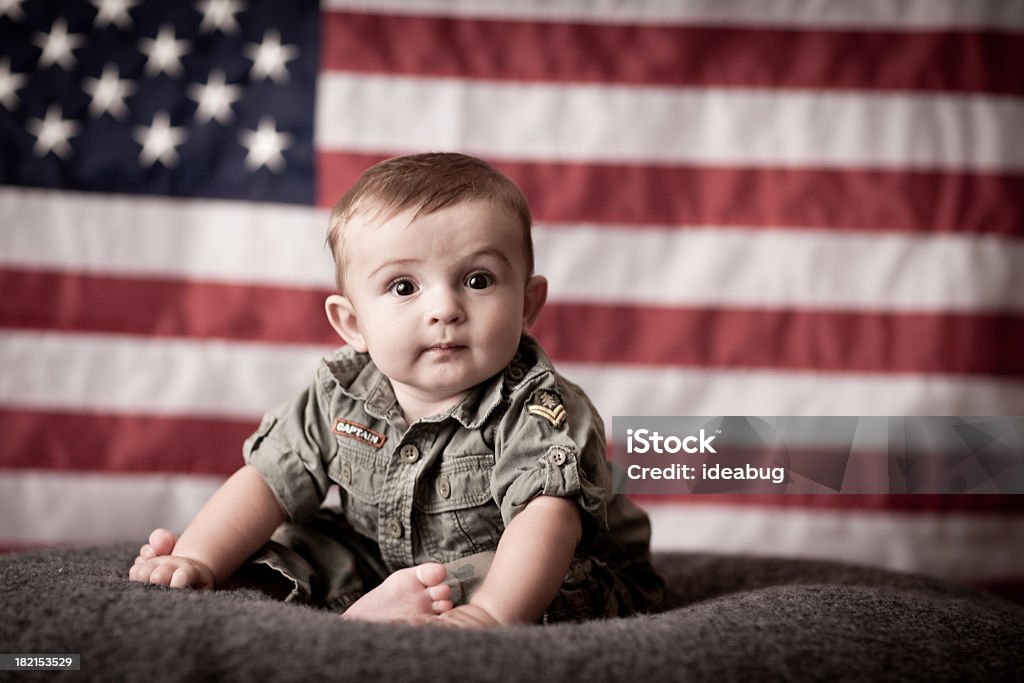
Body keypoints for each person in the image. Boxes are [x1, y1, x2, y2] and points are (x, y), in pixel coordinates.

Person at [129, 152, 664, 627]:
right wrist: (198, 556)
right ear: (353, 323)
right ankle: (305, 593)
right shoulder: (340, 393)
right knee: (296, 540)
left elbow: (546, 522)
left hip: (543, 566)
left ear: (526, 306)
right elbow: (267, 481)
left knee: (534, 571)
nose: (445, 309)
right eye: (404, 286)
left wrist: (488, 615)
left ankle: (414, 609)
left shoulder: (537, 407)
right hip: (384, 555)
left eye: (477, 280)